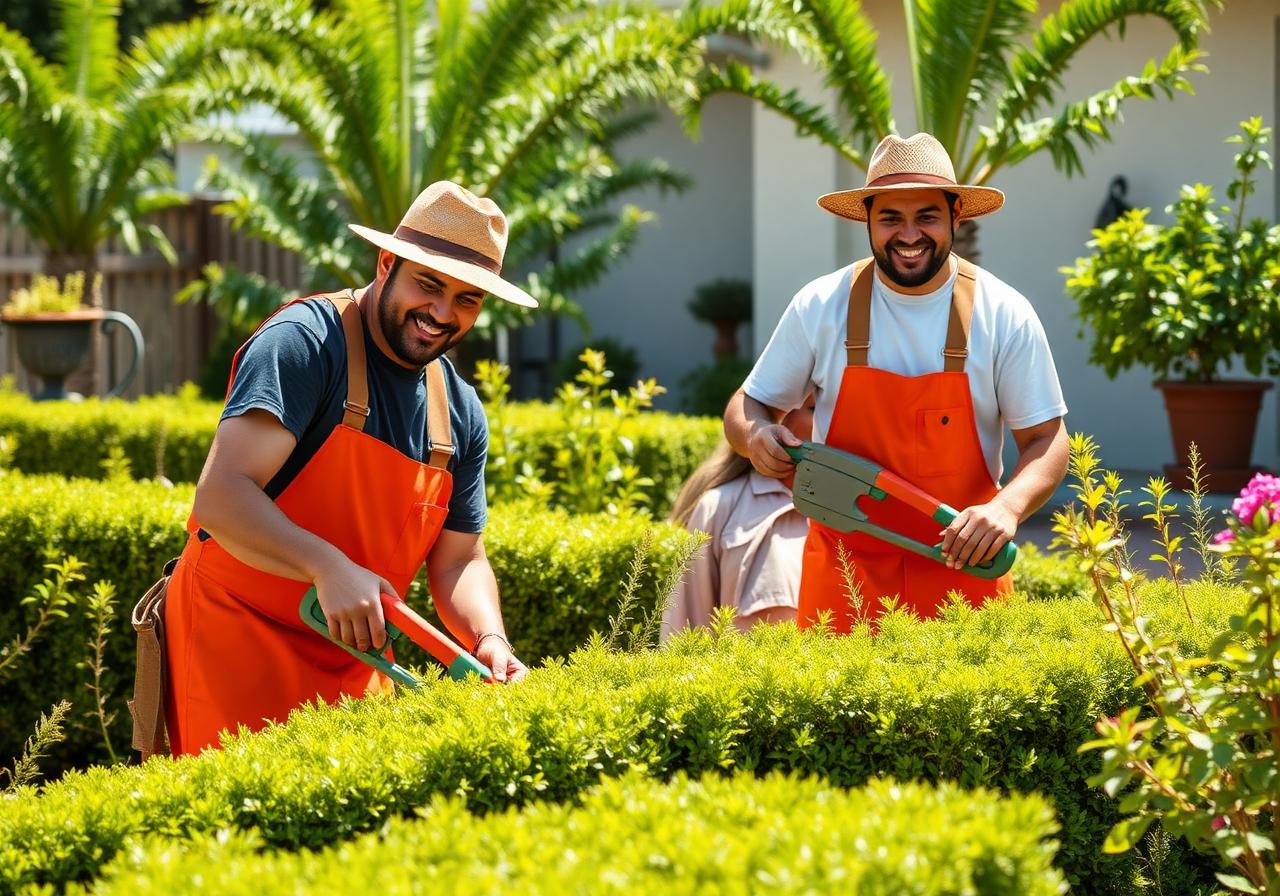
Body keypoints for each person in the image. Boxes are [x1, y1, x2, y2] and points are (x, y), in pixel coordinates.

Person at [158, 181, 535, 756]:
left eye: (467, 299)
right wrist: (326, 566)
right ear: (387, 262)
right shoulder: (304, 344)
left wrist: (489, 638)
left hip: (357, 665)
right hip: (232, 647)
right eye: (429, 285)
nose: (442, 313)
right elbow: (221, 495)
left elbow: (461, 558)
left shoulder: (459, 412)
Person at [725, 133, 1068, 632]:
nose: (909, 234)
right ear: (868, 220)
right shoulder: (821, 305)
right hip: (844, 575)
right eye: (890, 217)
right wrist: (755, 435)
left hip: (966, 567)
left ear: (956, 216)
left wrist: (1007, 508)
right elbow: (749, 404)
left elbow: (1047, 438)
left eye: (926, 215)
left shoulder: (1004, 312)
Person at [661, 397, 815, 641]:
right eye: (814, 409)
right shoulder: (720, 506)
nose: (830, 421)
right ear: (776, 415)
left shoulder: (873, 510)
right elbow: (683, 632)